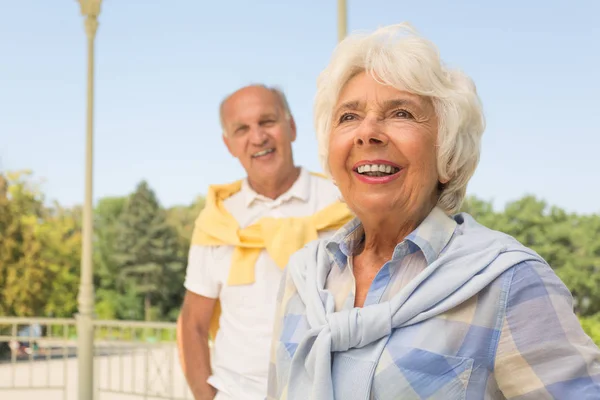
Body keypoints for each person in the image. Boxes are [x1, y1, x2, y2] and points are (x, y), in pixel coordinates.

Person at [268, 24, 600, 400]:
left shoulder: (507, 283)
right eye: (348, 117)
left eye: (401, 113)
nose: (367, 133)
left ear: (448, 154)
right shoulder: (303, 277)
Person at [177, 84, 353, 400]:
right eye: (242, 129)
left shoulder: (343, 204)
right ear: (229, 144)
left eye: (267, 121)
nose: (258, 137)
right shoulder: (218, 220)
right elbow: (192, 324)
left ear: (292, 128)